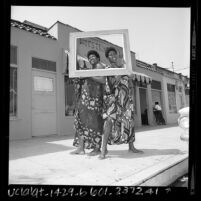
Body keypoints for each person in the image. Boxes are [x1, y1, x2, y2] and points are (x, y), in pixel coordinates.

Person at [99, 47, 143, 159]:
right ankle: (104, 149)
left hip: (125, 98)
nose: (113, 56)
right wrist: (119, 73)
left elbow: (131, 78)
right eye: (110, 55)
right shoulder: (107, 68)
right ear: (107, 57)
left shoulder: (123, 67)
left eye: (115, 54)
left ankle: (131, 146)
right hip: (112, 98)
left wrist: (125, 67)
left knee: (129, 121)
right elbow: (112, 83)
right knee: (108, 121)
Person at [71, 50, 106, 156]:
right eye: (89, 57)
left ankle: (96, 149)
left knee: (94, 123)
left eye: (93, 57)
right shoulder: (92, 69)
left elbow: (103, 80)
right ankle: (81, 148)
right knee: (81, 122)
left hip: (94, 100)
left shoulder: (99, 66)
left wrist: (89, 75)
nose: (91, 58)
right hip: (86, 100)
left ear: (98, 58)